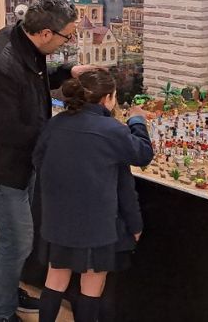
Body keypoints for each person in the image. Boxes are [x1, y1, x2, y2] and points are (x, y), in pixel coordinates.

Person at [0, 0, 93, 322]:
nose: (69, 41)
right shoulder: (0, 64)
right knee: (17, 241)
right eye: (67, 36)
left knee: (11, 237)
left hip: (18, 162)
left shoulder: (23, 41)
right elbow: (6, 129)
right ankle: (3, 313)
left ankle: (7, 292)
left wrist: (68, 72)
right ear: (46, 33)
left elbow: (35, 80)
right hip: (1, 167)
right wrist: (58, 134)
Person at [33, 69, 153, 322]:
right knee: (91, 284)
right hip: (97, 223)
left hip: (59, 217)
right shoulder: (112, 129)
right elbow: (142, 154)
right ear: (107, 98)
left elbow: (39, 160)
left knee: (55, 279)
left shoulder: (56, 123)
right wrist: (137, 121)